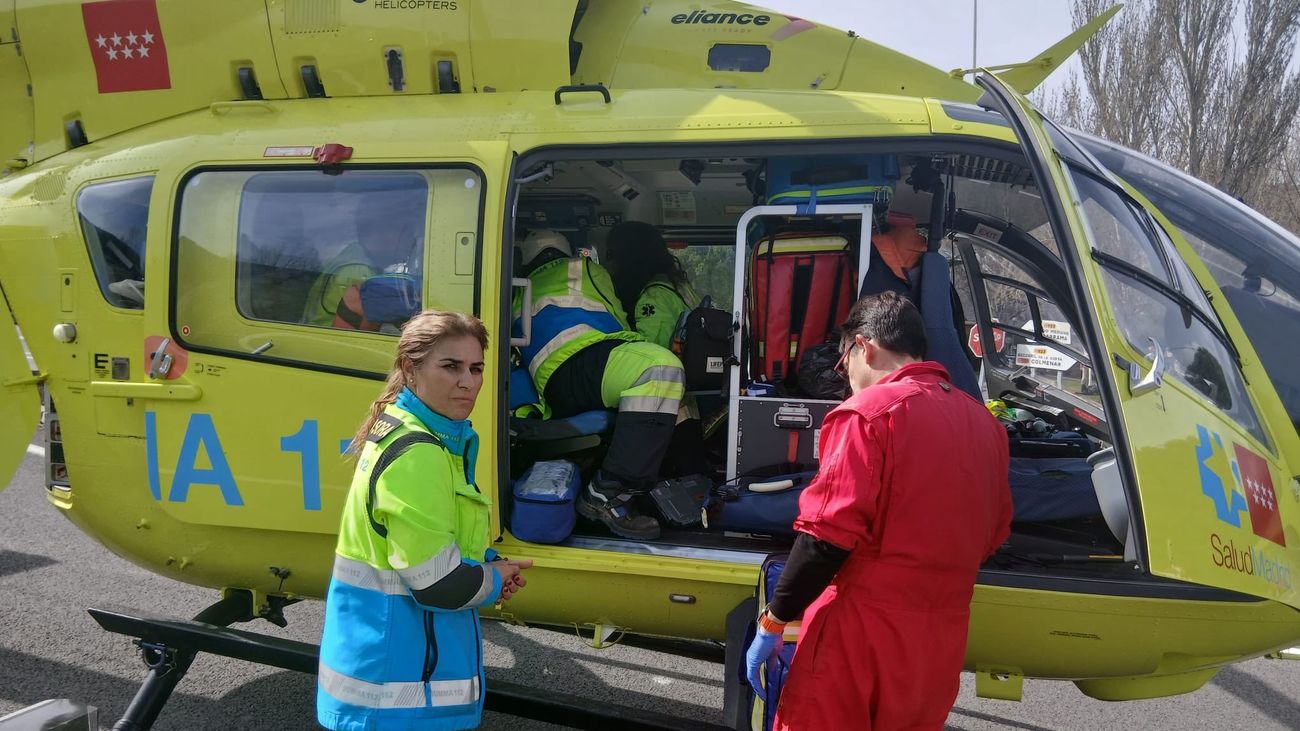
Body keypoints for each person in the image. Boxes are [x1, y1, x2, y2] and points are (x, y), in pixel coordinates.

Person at [744, 291, 1012, 730]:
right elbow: (993, 534)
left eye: (843, 359)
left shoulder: (866, 414)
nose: (844, 373)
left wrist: (774, 620)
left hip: (861, 629)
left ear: (863, 345)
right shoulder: (985, 425)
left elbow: (826, 537)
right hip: (939, 640)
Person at [318, 310, 531, 731]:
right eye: (450, 367)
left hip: (386, 675)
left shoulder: (414, 432)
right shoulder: (420, 452)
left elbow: (423, 542)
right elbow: (439, 586)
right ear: (410, 369)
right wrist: (492, 578)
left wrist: (484, 562)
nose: (467, 382)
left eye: (476, 368)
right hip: (397, 695)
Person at [512, 229, 685, 540]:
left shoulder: (512, 289)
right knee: (659, 369)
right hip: (583, 360)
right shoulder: (585, 268)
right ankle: (607, 493)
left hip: (554, 381)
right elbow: (617, 316)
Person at [603, 221, 709, 477]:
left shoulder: (652, 297)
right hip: (689, 404)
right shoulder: (678, 287)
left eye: (611, 256)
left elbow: (649, 355)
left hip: (667, 410)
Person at [303, 215, 419, 330]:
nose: (412, 239)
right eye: (407, 231)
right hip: (330, 341)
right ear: (382, 233)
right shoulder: (359, 271)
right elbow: (365, 330)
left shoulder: (354, 253)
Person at [604, 221, 701, 349]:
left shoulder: (653, 297)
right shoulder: (676, 285)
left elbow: (651, 353)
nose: (608, 264)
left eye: (611, 255)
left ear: (627, 258)